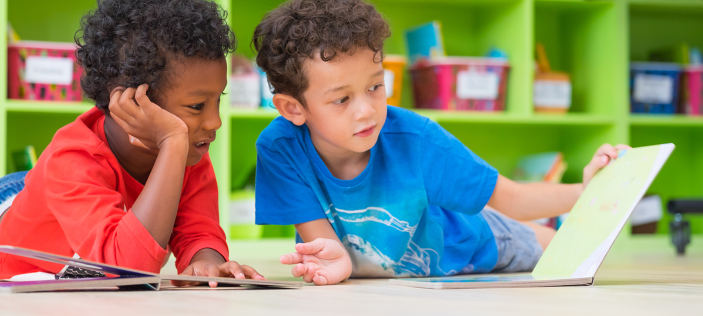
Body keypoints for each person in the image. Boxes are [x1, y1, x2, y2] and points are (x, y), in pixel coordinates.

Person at [252, 0, 629, 285]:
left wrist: (588, 189)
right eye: (342, 99)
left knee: (560, 249)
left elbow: (511, 199)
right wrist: (335, 262)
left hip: (474, 241)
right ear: (293, 108)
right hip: (402, 262)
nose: (367, 111)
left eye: (375, 86)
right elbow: (330, 249)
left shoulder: (416, 139)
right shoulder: (279, 148)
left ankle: (556, 220)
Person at [0, 0, 264, 286]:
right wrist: (172, 142)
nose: (216, 122)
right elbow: (127, 271)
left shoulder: (189, 152)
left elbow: (198, 229)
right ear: (131, 103)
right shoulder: (72, 158)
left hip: (57, 202)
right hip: (15, 217)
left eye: (218, 100)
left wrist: (207, 262)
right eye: (198, 106)